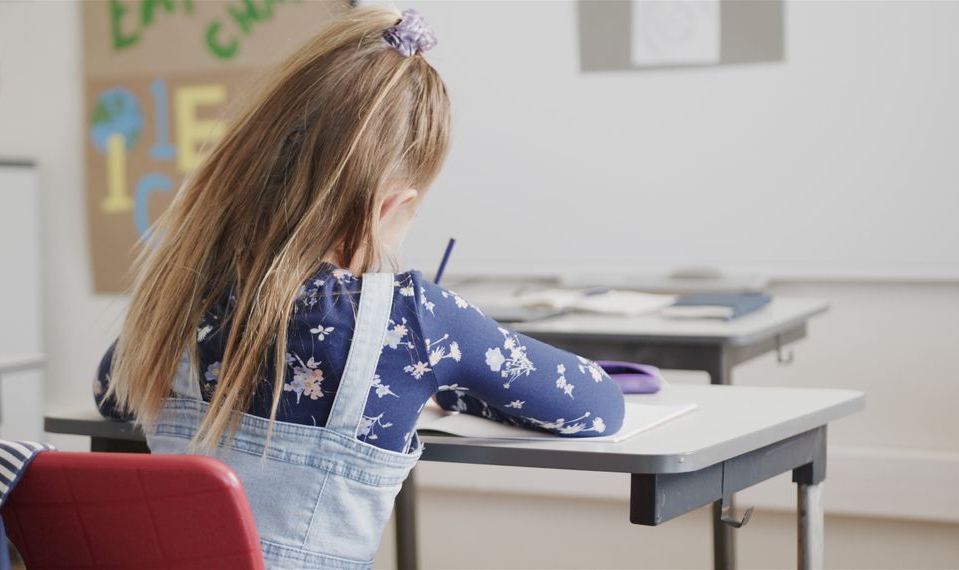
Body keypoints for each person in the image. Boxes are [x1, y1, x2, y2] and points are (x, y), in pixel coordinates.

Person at [95, 7, 625, 569]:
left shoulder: (183, 295)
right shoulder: (417, 321)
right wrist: (444, 379)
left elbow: (111, 391)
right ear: (396, 206)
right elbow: (599, 406)